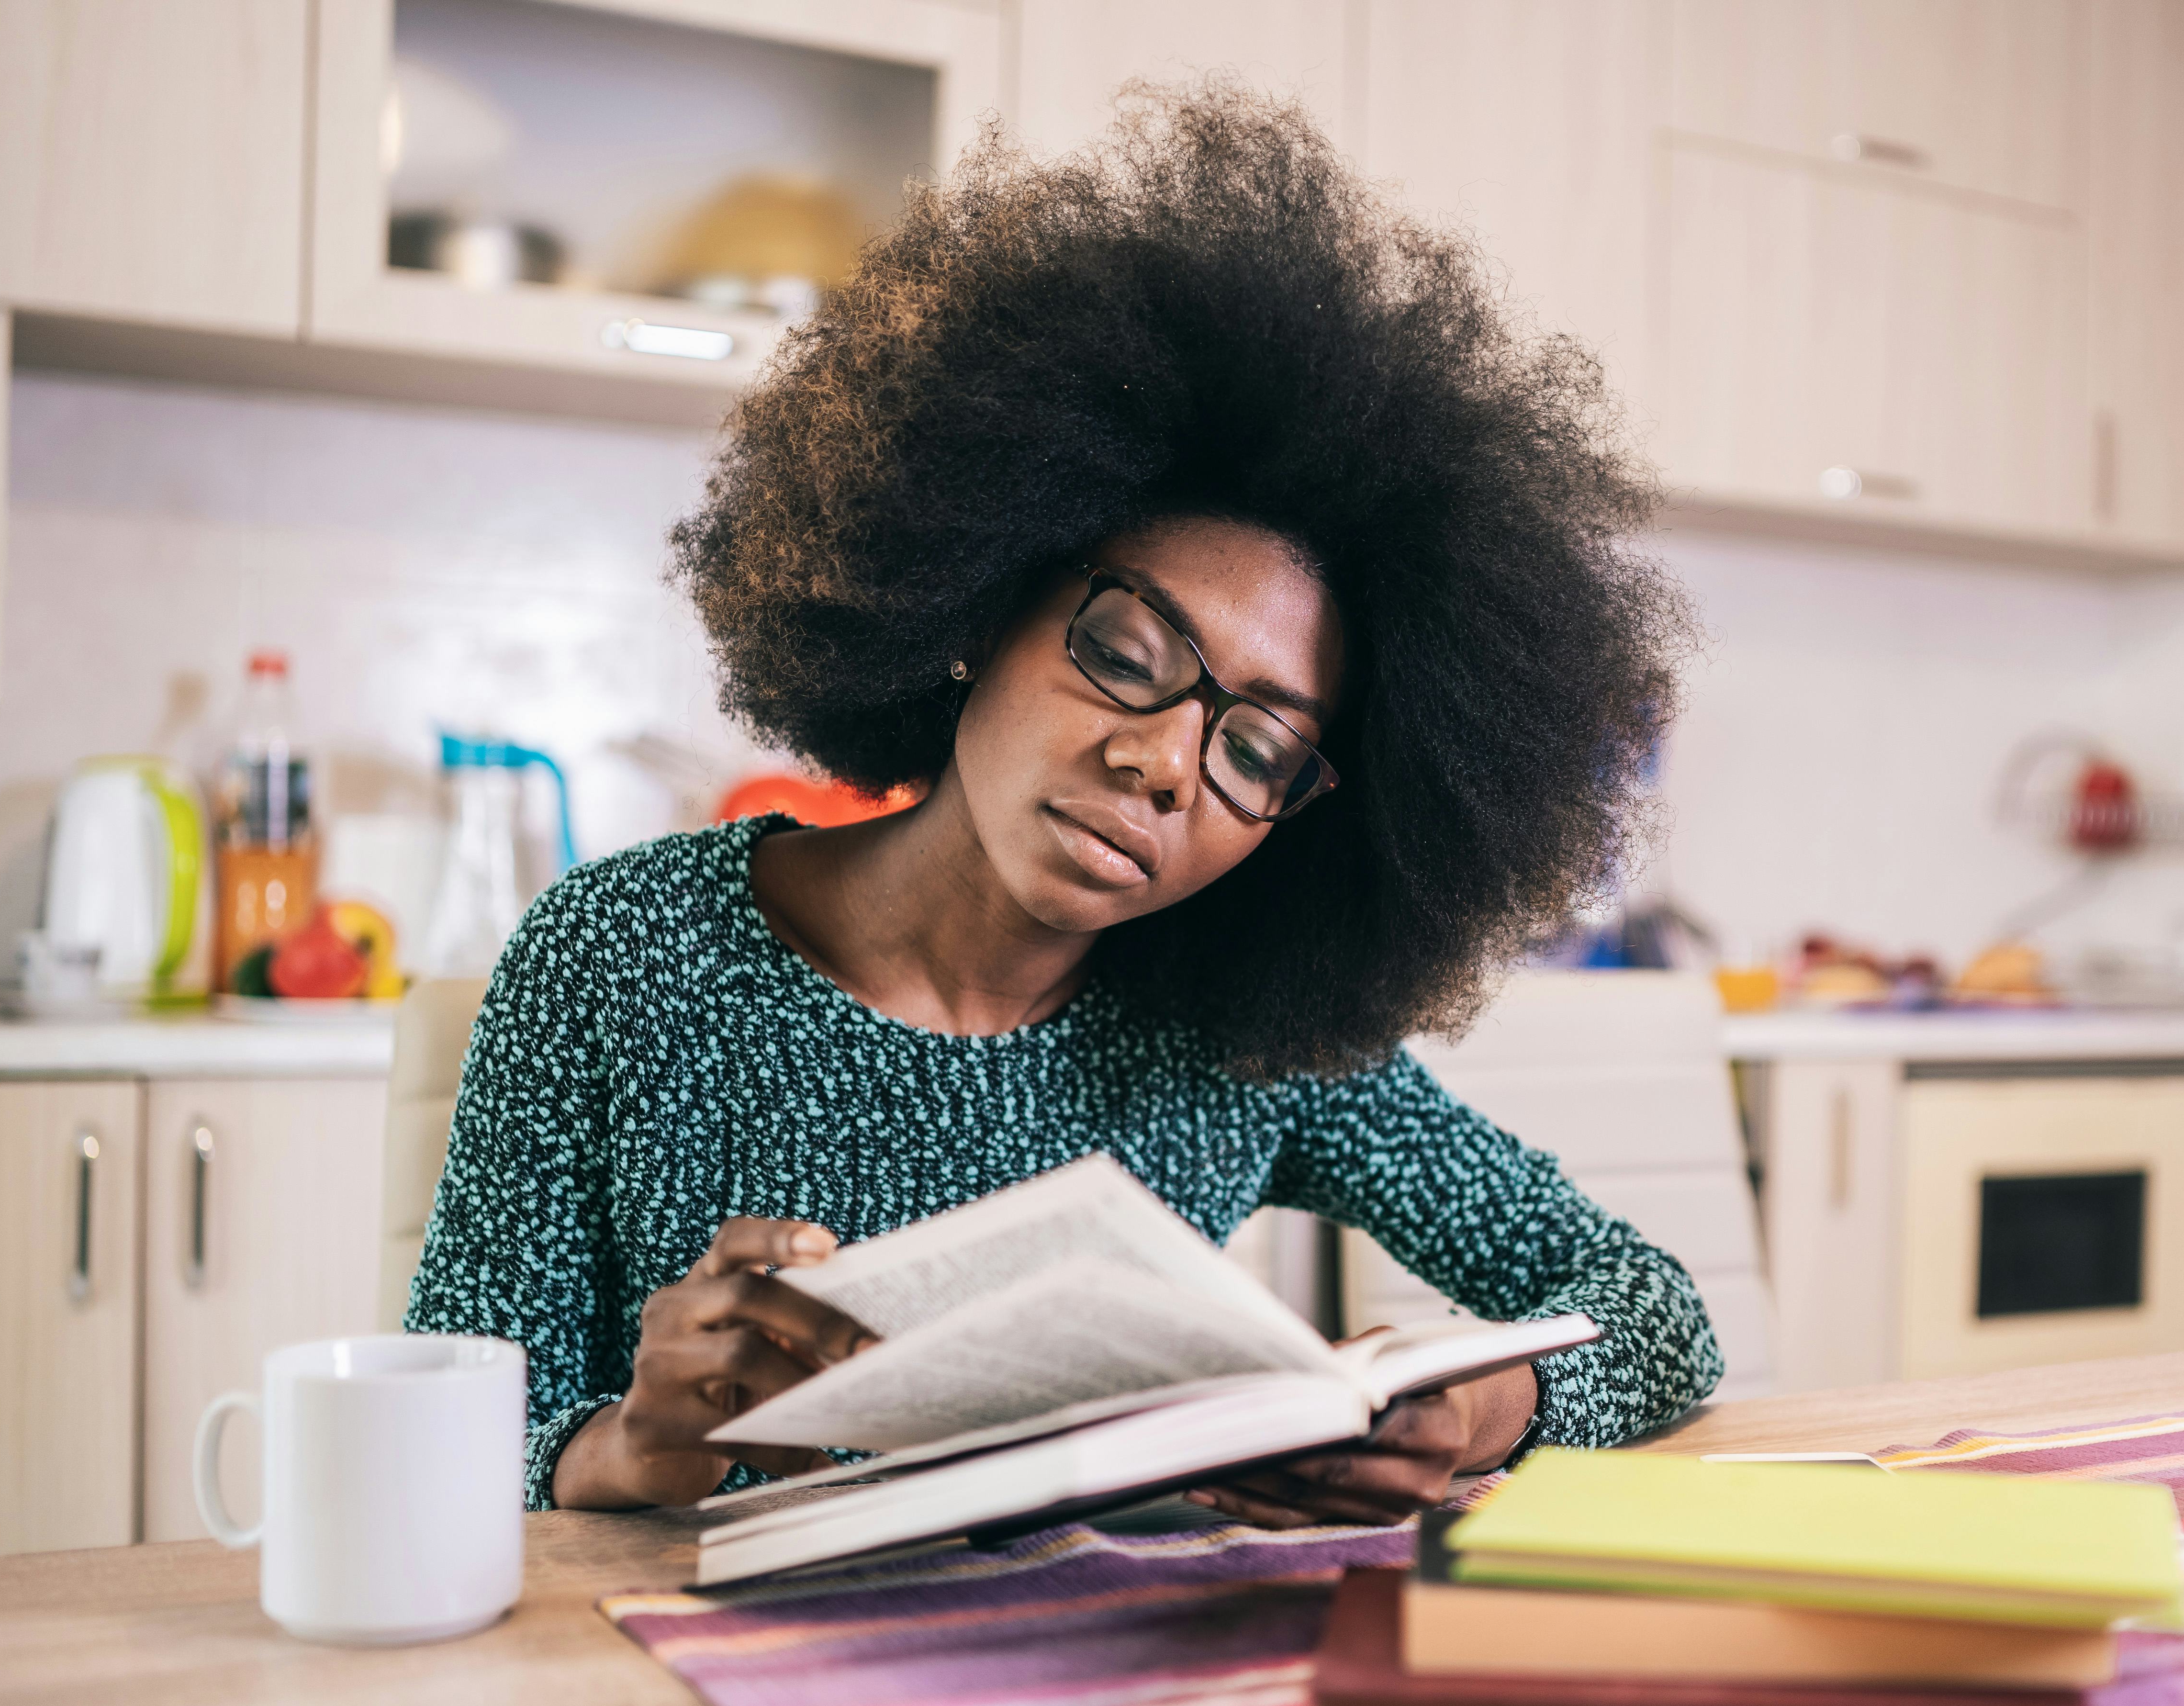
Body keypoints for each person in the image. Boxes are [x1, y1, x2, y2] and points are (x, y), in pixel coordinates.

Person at [404, 84, 1720, 1526]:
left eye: (1259, 751)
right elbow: (444, 1436)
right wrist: (626, 1450)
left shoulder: (1242, 1042)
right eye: (1127, 655)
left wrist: (1475, 1409)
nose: (1163, 763)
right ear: (978, 597)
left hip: (1099, 1695)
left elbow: (1651, 1311)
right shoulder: (621, 956)